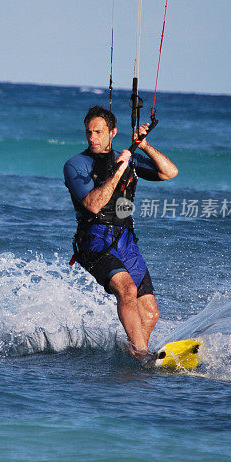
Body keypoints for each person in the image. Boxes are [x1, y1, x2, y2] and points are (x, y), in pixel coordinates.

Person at [63, 105, 178, 360]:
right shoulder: (75, 164)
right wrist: (118, 170)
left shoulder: (129, 157)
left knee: (150, 312)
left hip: (126, 240)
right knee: (126, 289)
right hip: (94, 240)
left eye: (98, 132)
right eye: (89, 132)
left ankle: (133, 357)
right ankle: (142, 354)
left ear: (113, 132)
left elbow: (169, 172)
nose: (92, 137)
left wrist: (143, 144)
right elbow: (93, 204)